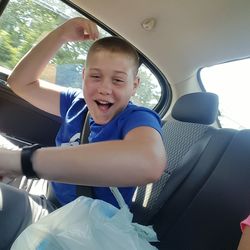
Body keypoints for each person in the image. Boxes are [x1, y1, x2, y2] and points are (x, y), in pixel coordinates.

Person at [0, 17, 167, 249]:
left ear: (134, 85)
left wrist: (19, 161)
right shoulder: (75, 103)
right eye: (95, 76)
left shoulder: (137, 117)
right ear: (83, 76)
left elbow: (149, 163)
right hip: (47, 188)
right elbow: (20, 82)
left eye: (118, 80)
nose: (104, 88)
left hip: (75, 221)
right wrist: (60, 35)